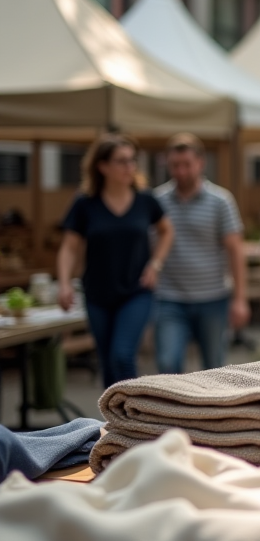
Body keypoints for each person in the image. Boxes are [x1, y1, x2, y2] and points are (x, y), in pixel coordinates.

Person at [56, 135, 174, 387]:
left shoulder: (145, 200)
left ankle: (135, 417)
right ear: (102, 166)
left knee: (122, 355)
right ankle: (112, 421)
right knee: (108, 361)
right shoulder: (85, 203)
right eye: (121, 161)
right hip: (97, 293)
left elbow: (167, 231)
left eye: (132, 160)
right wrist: (64, 283)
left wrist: (155, 264)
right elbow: (69, 247)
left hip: (137, 291)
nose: (129, 167)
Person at [153, 133, 248, 374]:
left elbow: (235, 250)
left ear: (201, 163)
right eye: (175, 165)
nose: (181, 171)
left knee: (213, 369)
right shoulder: (157, 201)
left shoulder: (220, 201)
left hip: (212, 298)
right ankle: (173, 412)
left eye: (187, 165)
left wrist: (239, 299)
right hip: (170, 298)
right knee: (167, 363)